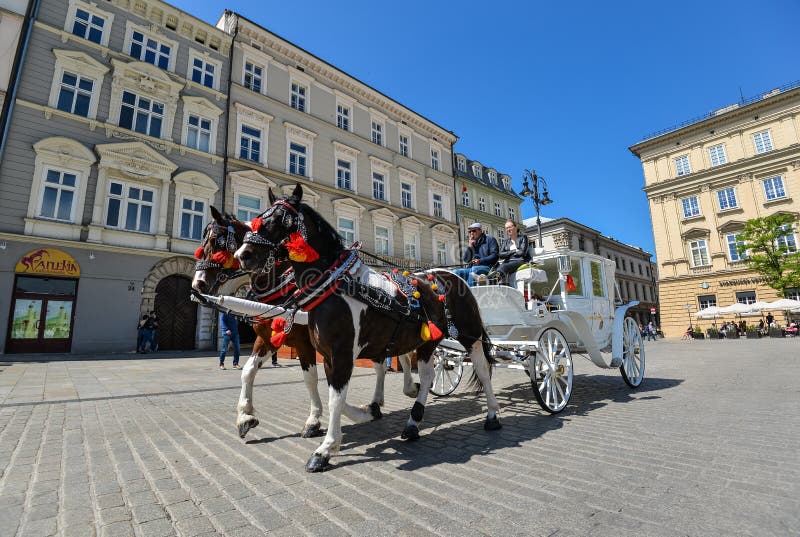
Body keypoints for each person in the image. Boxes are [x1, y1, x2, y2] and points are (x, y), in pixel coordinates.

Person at [494, 220, 530, 286]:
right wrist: (513, 251)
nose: (508, 229)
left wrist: (507, 253)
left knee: (503, 266)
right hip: (508, 262)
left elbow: (522, 253)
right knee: (497, 268)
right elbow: (501, 255)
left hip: (520, 260)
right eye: (506, 228)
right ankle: (487, 279)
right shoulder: (506, 242)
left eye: (510, 227)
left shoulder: (523, 238)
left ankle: (490, 281)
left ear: (516, 227)